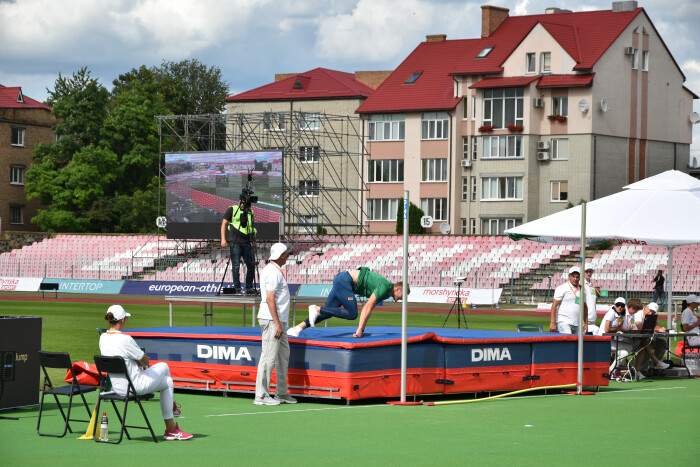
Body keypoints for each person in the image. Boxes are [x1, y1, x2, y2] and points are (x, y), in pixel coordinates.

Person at [99, 305, 192, 441]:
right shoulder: (126, 339)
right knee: (164, 366)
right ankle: (171, 425)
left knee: (167, 382)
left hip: (118, 387)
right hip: (135, 386)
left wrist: (134, 361)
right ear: (123, 320)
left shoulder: (103, 339)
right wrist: (138, 361)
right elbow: (145, 362)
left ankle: (171, 428)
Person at [287, 267, 408, 338]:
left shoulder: (385, 290)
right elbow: (367, 308)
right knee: (352, 314)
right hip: (345, 281)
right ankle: (316, 309)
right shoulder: (386, 287)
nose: (402, 299)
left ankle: (297, 328)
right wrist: (361, 329)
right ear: (397, 288)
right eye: (403, 295)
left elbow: (369, 307)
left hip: (342, 280)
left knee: (328, 312)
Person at [254, 243, 296, 406]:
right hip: (273, 320)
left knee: (282, 356)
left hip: (277, 320)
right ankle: (261, 395)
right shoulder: (273, 272)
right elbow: (270, 298)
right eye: (287, 254)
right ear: (281, 255)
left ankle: (281, 392)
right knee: (268, 357)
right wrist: (278, 324)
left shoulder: (273, 270)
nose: (288, 256)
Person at [220, 197, 257, 295]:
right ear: (240, 200)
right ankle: (237, 288)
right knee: (236, 266)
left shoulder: (250, 212)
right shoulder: (232, 209)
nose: (244, 203)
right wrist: (223, 239)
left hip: (247, 241)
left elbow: (251, 226)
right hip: (235, 241)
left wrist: (253, 238)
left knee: (251, 265)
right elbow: (224, 223)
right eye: (243, 201)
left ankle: (249, 287)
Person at [598, 297, 637, 377]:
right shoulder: (611, 313)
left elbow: (620, 327)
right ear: (614, 305)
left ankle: (610, 370)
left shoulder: (621, 315)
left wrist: (621, 329)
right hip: (602, 341)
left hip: (609, 340)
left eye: (622, 305)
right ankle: (612, 371)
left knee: (625, 353)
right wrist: (616, 329)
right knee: (630, 347)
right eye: (618, 305)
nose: (620, 307)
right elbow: (607, 329)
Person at [632, 302, 670, 374]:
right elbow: (639, 325)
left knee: (662, 342)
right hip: (636, 339)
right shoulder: (639, 313)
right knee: (646, 342)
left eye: (653, 312)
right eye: (650, 310)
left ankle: (655, 365)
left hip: (645, 338)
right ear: (646, 307)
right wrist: (655, 329)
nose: (650, 313)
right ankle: (651, 365)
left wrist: (660, 329)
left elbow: (657, 325)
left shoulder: (652, 315)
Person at [550, 266, 588, 334]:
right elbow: (554, 306)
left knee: (577, 344)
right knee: (568, 340)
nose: (575, 279)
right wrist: (552, 323)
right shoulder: (562, 288)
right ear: (569, 276)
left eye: (577, 277)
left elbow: (585, 307)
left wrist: (586, 323)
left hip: (578, 323)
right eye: (573, 276)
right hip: (564, 321)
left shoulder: (582, 290)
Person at [584, 264, 600, 334]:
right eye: (586, 271)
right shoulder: (580, 285)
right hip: (584, 319)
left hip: (593, 318)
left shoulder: (593, 286)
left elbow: (594, 302)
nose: (588, 273)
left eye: (590, 271)